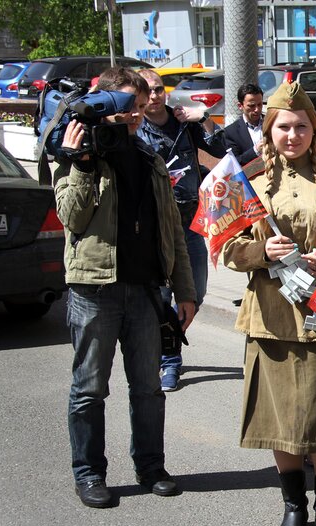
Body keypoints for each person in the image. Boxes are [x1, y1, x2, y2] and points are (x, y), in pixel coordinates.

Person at [222, 81, 316, 526]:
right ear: (269, 128)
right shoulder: (250, 180)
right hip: (272, 315)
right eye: (284, 126)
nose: (293, 134)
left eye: (302, 126)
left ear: (313, 130)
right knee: (281, 418)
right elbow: (227, 248)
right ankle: (293, 506)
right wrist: (262, 250)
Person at [54, 67, 196, 508]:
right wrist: (80, 162)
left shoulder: (149, 156)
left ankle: (151, 466)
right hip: (94, 291)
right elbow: (71, 218)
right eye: (125, 107)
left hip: (145, 292)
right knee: (89, 388)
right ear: (104, 106)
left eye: (137, 107)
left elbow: (172, 231)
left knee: (148, 388)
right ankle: (90, 473)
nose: (135, 115)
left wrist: (185, 290)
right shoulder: (75, 151)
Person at [137, 68, 226, 391]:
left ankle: (168, 340)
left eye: (159, 89)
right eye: (147, 91)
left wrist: (202, 116)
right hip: (157, 225)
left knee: (195, 293)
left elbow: (221, 148)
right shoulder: (136, 130)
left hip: (190, 223)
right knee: (162, 296)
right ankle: (170, 360)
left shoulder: (184, 125)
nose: (155, 96)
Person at [224, 83, 265, 166]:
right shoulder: (231, 132)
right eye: (251, 106)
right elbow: (235, 163)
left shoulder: (273, 123)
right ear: (240, 106)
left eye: (260, 104)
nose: (257, 109)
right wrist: (255, 150)